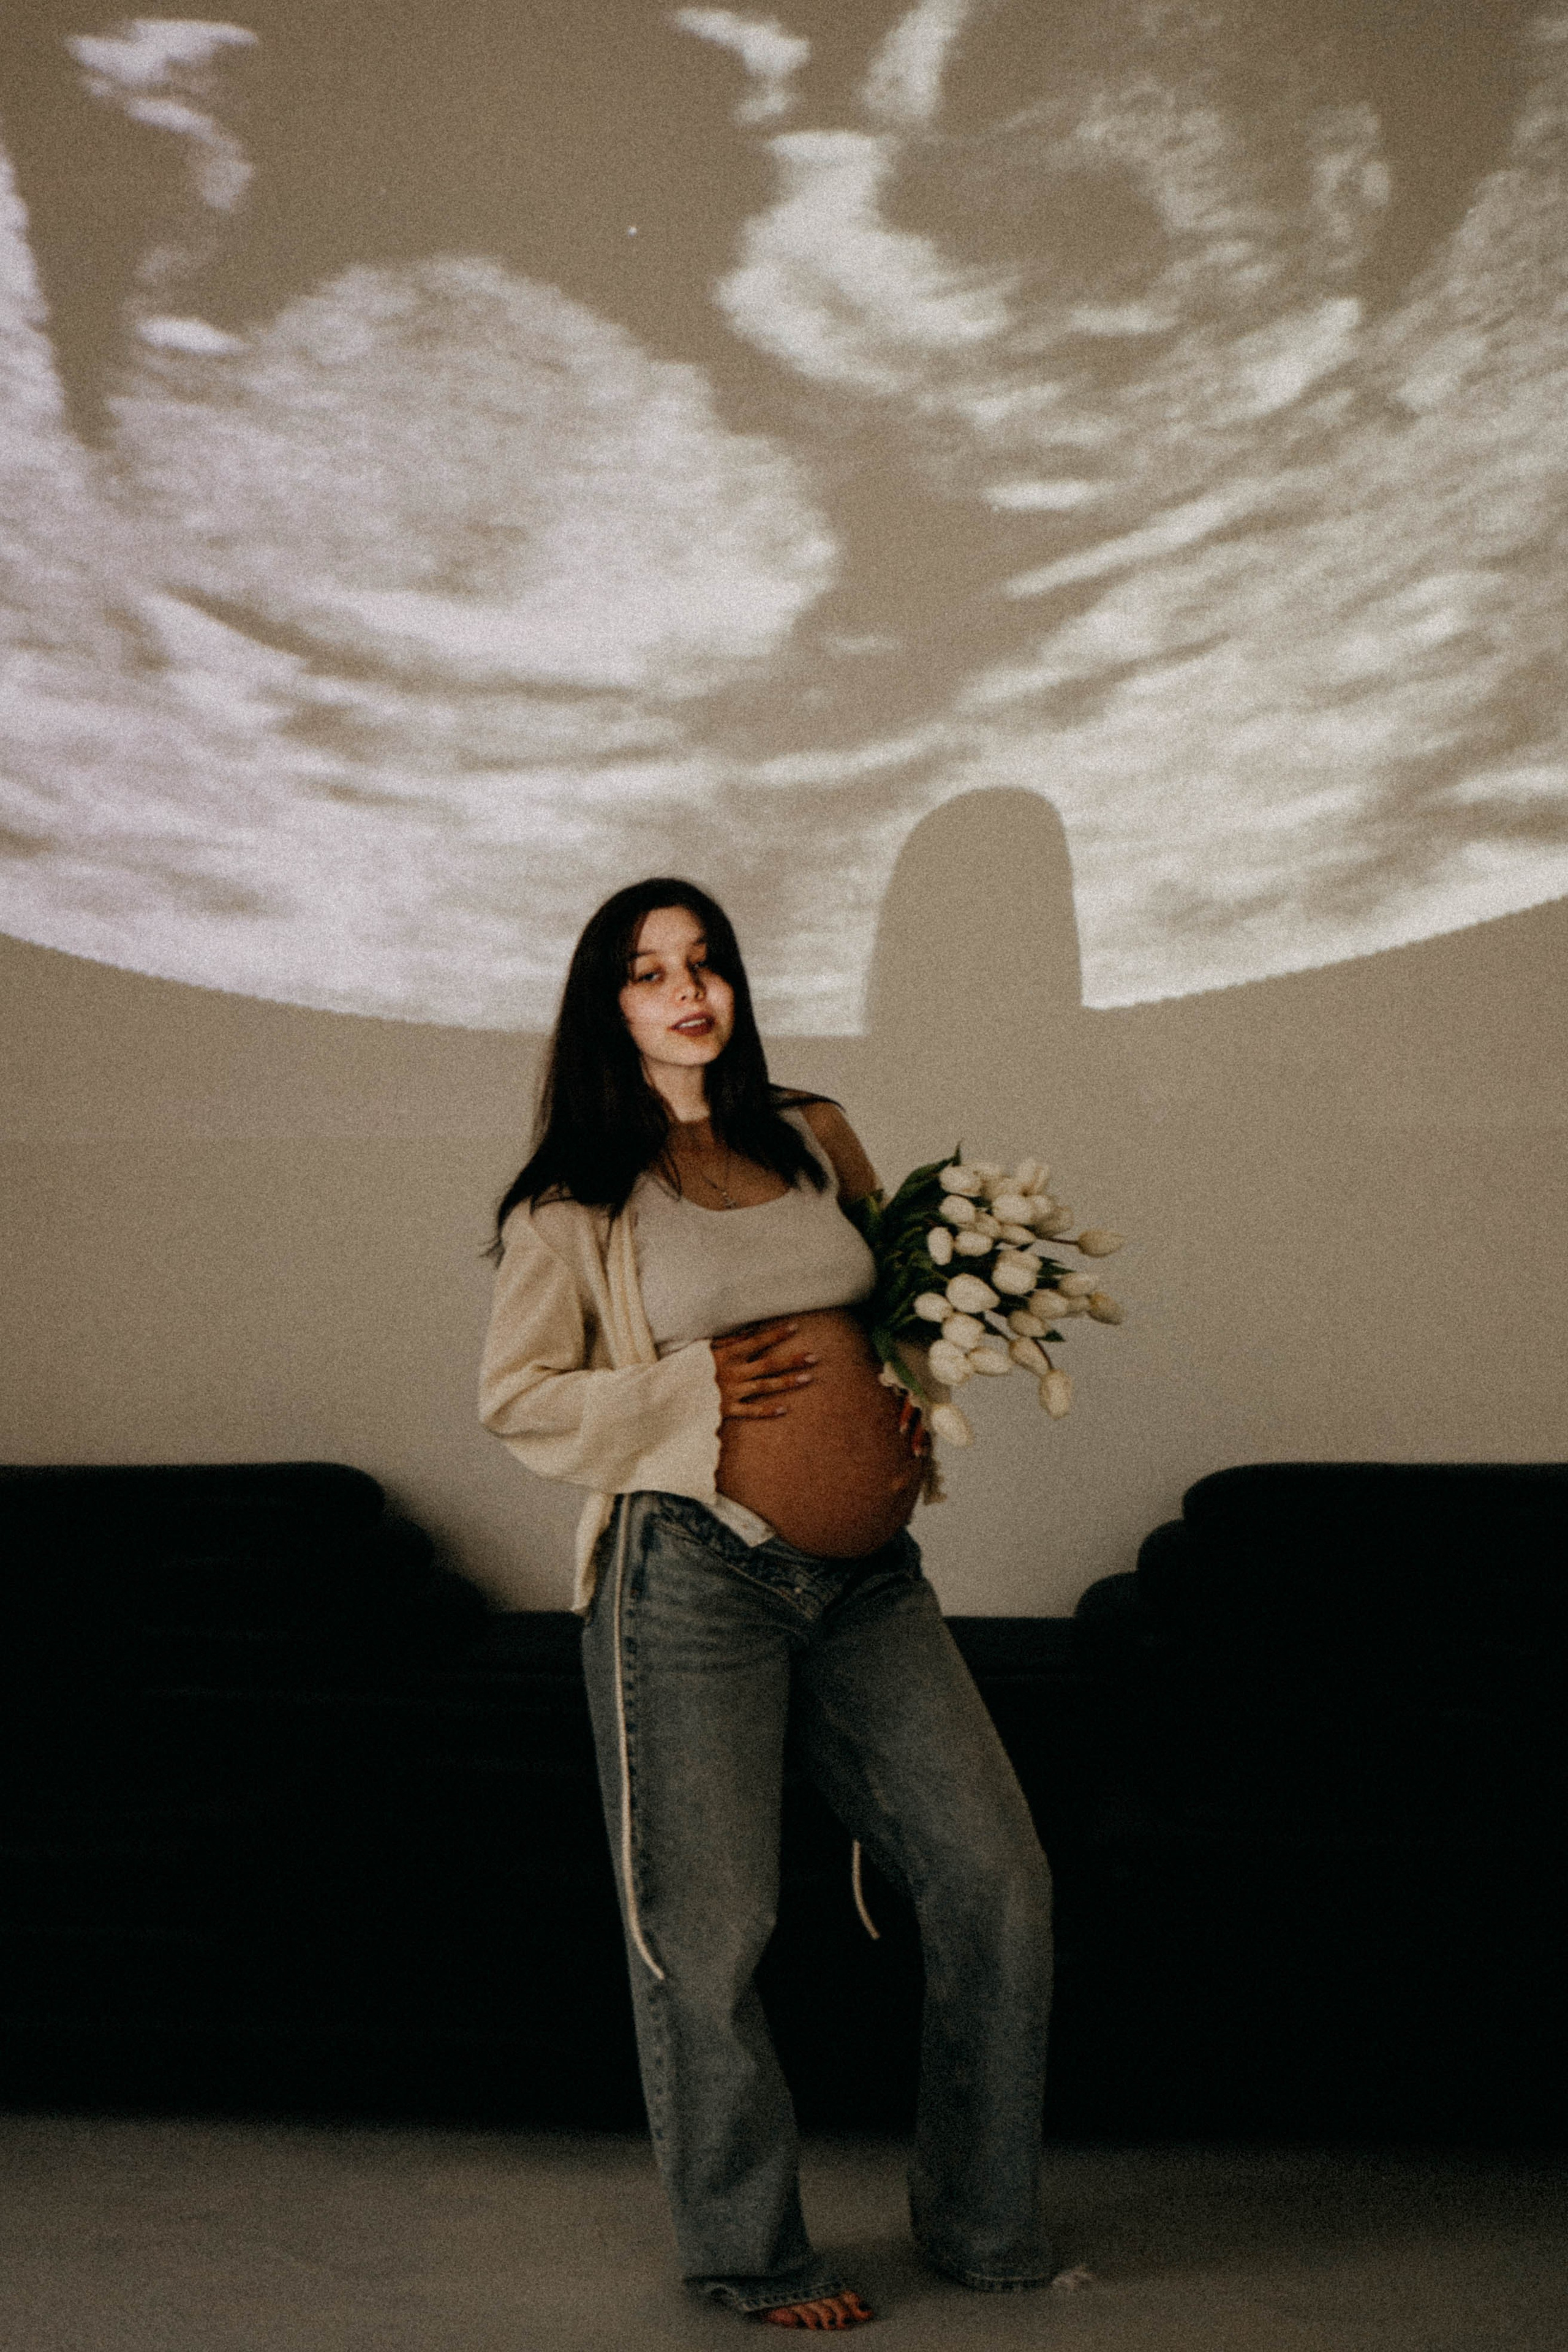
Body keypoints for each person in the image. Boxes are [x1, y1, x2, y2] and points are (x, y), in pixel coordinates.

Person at [479, 877, 1055, 2329]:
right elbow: (518, 1401)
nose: (686, 992)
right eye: (645, 972)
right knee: (709, 1928)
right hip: (693, 1578)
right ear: (604, 1006)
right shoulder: (576, 1197)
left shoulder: (810, 1130)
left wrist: (904, 1407)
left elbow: (889, 1300)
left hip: (869, 1584)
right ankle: (749, 2252)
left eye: (705, 963)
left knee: (994, 1878)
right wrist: (688, 1392)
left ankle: (981, 2224)